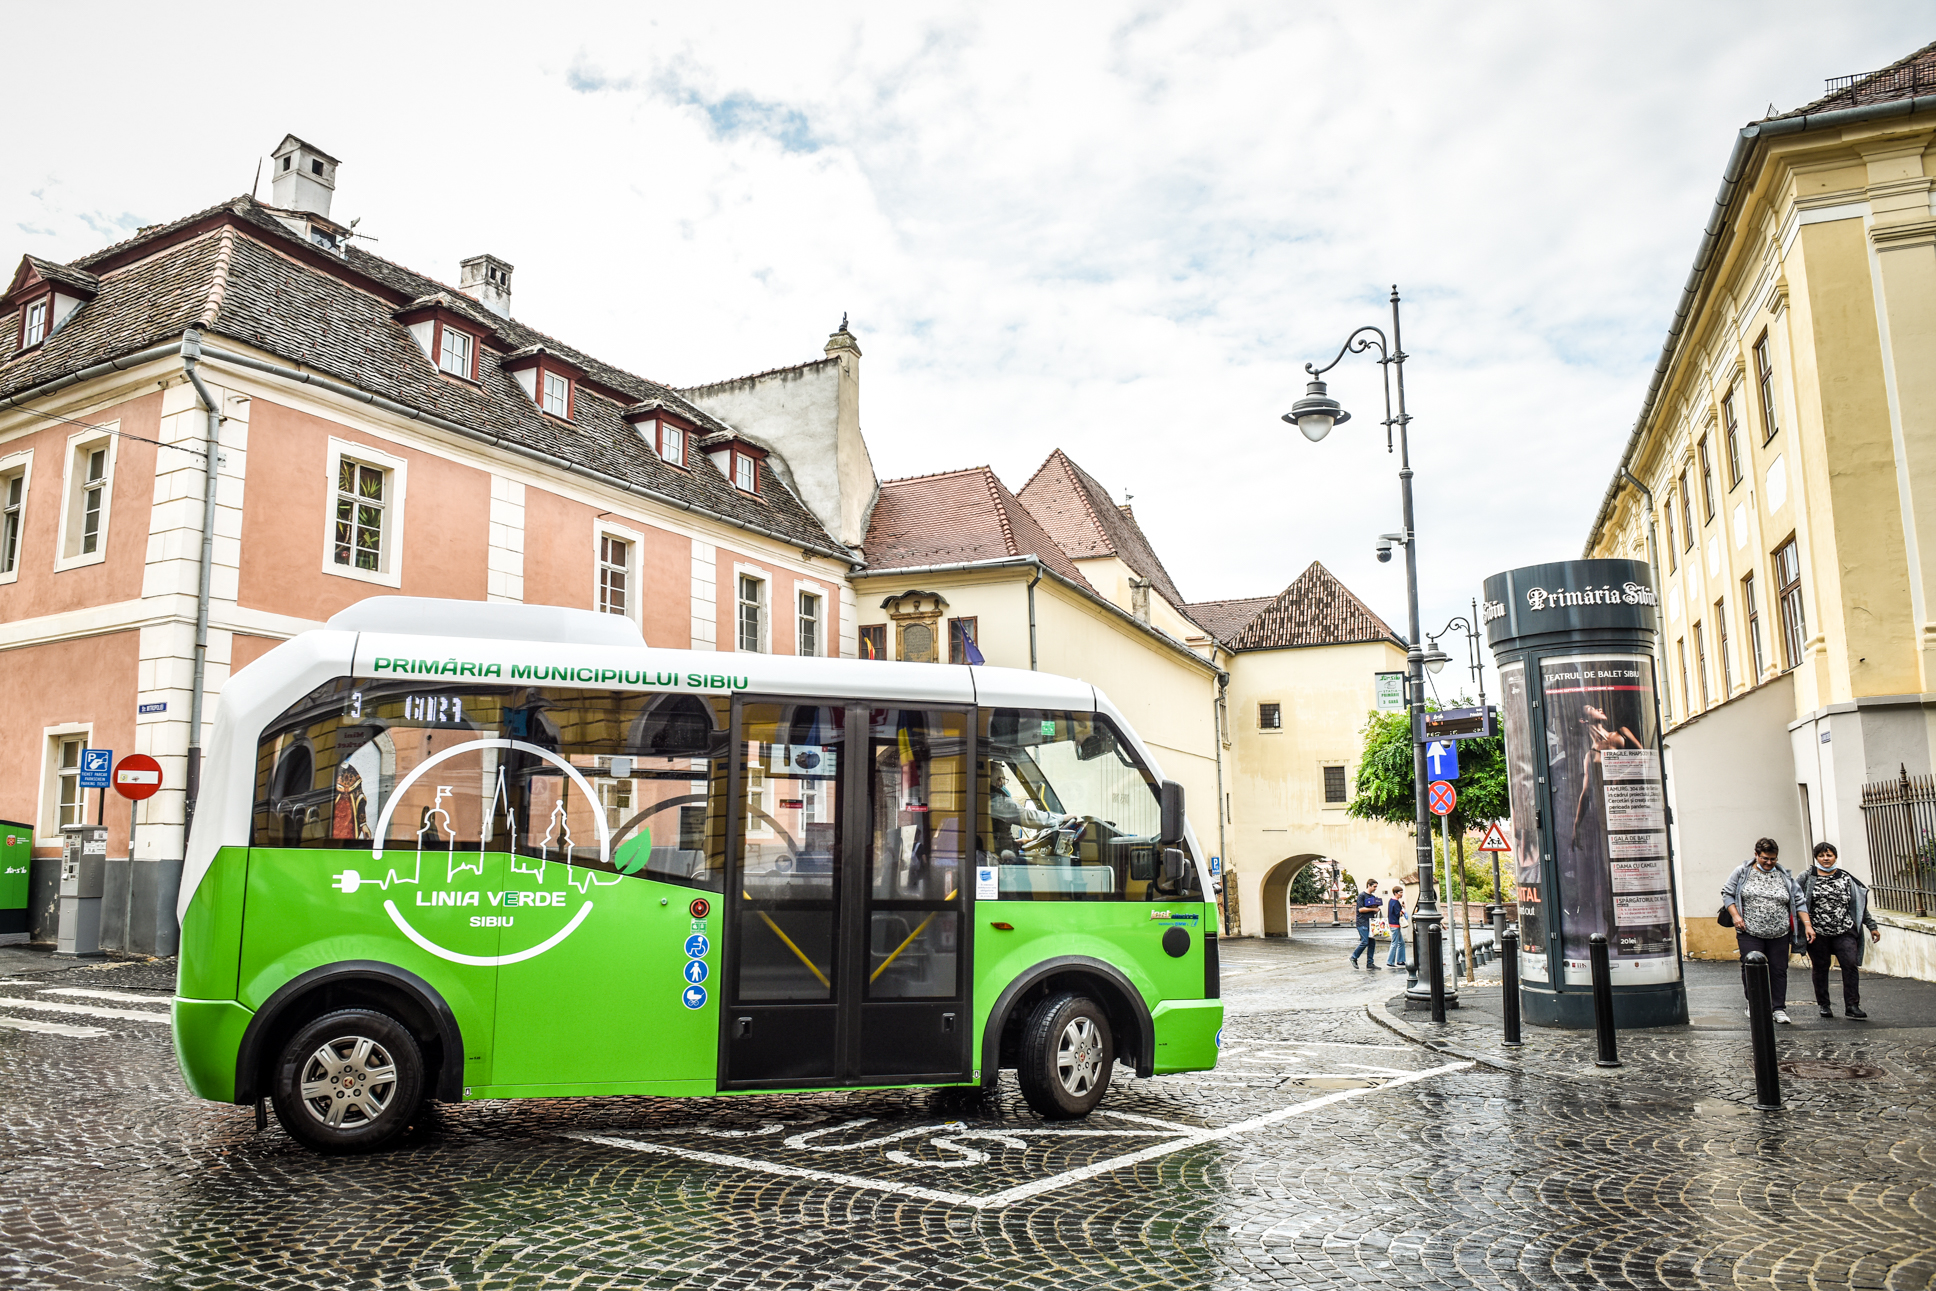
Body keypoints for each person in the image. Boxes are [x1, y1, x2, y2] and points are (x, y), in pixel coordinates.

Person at [1721, 837, 1812, 1024]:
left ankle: (1778, 1007)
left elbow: (1799, 900)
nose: (1769, 862)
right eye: (1765, 858)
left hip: (1779, 932)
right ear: (1756, 855)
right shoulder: (1742, 872)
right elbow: (1727, 894)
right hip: (1749, 931)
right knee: (1752, 968)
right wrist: (1736, 916)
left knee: (1779, 969)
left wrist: (1808, 925)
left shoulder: (1784, 875)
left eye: (1773, 859)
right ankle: (1754, 1004)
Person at [1799, 841, 1881, 1019]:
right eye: (1821, 855)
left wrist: (1871, 925)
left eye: (1829, 855)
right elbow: (1795, 902)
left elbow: (1858, 905)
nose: (1825, 859)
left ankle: (1852, 1005)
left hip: (1844, 930)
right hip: (1817, 932)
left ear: (1835, 857)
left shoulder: (1845, 877)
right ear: (1816, 858)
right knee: (1820, 967)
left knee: (1850, 964)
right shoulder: (1807, 877)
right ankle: (1824, 1005)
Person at [987, 761, 1072, 857]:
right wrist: (1062, 818)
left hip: (999, 853)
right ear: (999, 781)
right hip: (1003, 859)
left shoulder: (985, 799)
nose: (1004, 783)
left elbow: (994, 836)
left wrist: (1015, 843)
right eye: (1004, 779)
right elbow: (1029, 818)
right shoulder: (997, 802)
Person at [1350, 879, 1382, 968]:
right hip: (1362, 922)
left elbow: (1372, 911)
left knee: (1372, 943)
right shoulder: (1362, 896)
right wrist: (1373, 909)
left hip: (1371, 922)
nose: (1375, 888)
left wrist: (1376, 910)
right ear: (1369, 885)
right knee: (1365, 941)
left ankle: (1370, 963)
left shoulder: (1373, 897)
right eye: (1374, 886)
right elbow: (1360, 909)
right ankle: (1354, 957)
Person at [1384, 884, 1408, 968]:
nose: (1401, 894)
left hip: (1392, 923)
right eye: (1400, 892)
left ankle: (1400, 960)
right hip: (1395, 924)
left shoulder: (1391, 901)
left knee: (1401, 943)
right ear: (1396, 893)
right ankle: (1390, 961)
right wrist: (1403, 909)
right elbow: (1399, 913)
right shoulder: (1396, 902)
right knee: (1395, 943)